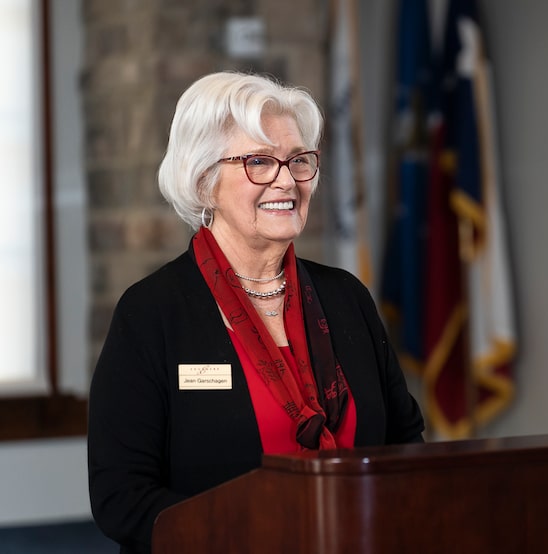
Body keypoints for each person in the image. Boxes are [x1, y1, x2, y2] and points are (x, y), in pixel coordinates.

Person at [87, 71, 425, 554]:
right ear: (205, 183)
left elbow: (405, 443)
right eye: (260, 162)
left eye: (298, 161)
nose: (287, 180)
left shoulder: (346, 297)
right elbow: (122, 499)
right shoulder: (151, 314)